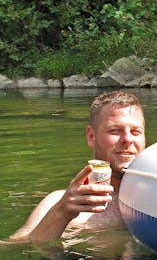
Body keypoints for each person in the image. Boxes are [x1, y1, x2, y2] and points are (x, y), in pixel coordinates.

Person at [8, 91, 146, 243]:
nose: (127, 139)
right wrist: (61, 213)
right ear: (91, 136)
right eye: (114, 131)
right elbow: (15, 245)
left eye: (135, 132)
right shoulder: (59, 203)